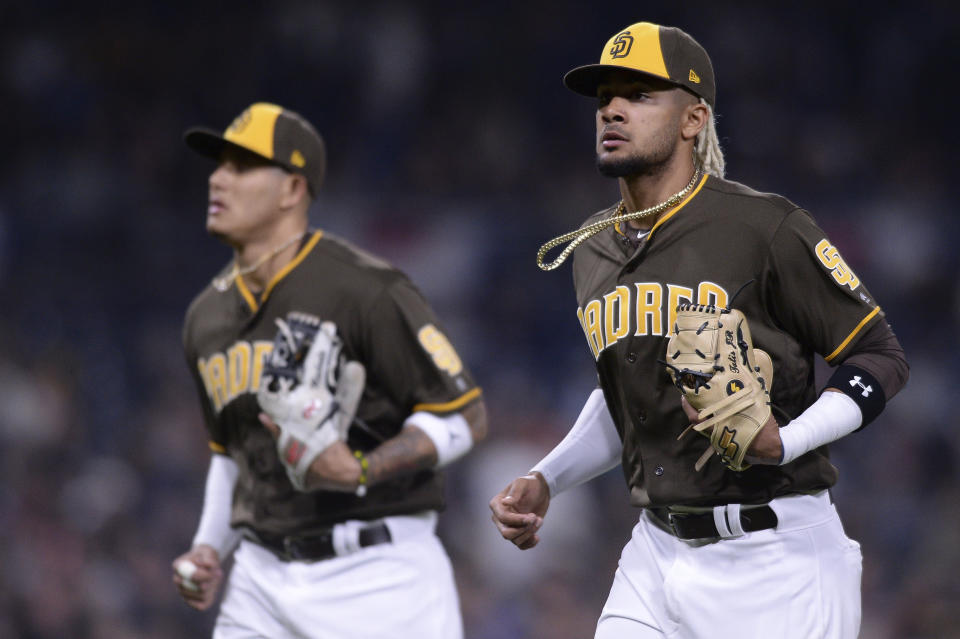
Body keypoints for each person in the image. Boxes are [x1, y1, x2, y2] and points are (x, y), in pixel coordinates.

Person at [490, 21, 908, 639]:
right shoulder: (593, 250)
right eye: (606, 97)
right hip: (655, 554)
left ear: (694, 120)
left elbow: (882, 357)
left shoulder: (762, 226)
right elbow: (629, 398)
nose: (612, 109)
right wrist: (548, 476)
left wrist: (786, 441)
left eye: (639, 95)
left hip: (777, 560)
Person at [171, 102, 486, 639]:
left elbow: (464, 419)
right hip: (259, 579)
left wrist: (361, 469)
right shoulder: (206, 317)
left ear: (293, 190)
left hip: (378, 575)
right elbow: (231, 455)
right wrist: (208, 546)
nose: (219, 178)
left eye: (242, 166)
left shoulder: (366, 290)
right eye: (218, 164)